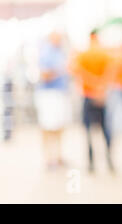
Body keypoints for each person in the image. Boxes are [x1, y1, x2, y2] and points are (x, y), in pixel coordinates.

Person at [70, 29, 115, 173]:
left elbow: (77, 72)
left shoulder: (83, 54)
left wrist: (93, 86)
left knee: (88, 130)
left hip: (88, 95)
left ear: (90, 37)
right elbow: (111, 72)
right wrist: (101, 88)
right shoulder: (105, 53)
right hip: (101, 96)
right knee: (105, 129)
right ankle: (109, 160)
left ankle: (91, 163)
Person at [34, 31, 70, 170]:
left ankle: (58, 155)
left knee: (60, 126)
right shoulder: (46, 52)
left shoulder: (60, 51)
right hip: (48, 94)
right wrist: (60, 70)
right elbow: (44, 75)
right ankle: (48, 157)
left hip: (60, 92)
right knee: (47, 126)